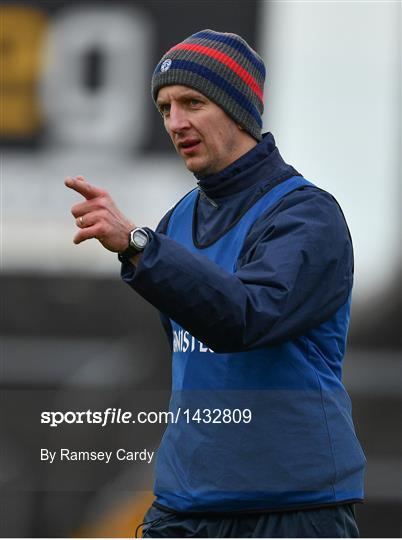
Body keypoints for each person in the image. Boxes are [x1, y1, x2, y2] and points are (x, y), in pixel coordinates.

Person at [65, 29, 366, 538]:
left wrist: (138, 245)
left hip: (291, 513)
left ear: (238, 107)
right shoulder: (175, 221)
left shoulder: (307, 216)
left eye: (193, 102)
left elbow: (243, 317)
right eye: (164, 108)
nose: (175, 122)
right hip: (185, 506)